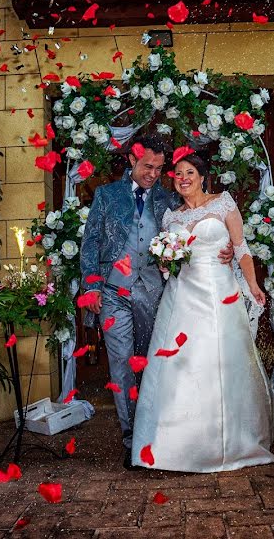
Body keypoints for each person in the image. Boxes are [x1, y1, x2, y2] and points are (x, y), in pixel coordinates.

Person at [79, 136, 232, 470]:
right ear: (133, 160)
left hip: (154, 293)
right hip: (114, 292)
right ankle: (132, 440)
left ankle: (155, 434)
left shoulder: (167, 198)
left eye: (159, 168)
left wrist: (227, 247)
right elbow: (90, 242)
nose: (153, 174)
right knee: (120, 363)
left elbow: (195, 228)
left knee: (151, 364)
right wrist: (90, 285)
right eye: (147, 166)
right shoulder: (107, 195)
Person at [130, 153, 274, 472]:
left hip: (218, 293)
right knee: (179, 365)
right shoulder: (171, 218)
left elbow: (241, 249)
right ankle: (172, 443)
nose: (183, 178)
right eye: (178, 173)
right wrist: (165, 260)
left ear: (202, 176)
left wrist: (252, 285)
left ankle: (225, 441)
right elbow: (169, 265)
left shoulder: (223, 204)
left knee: (219, 362)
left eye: (190, 172)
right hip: (182, 296)